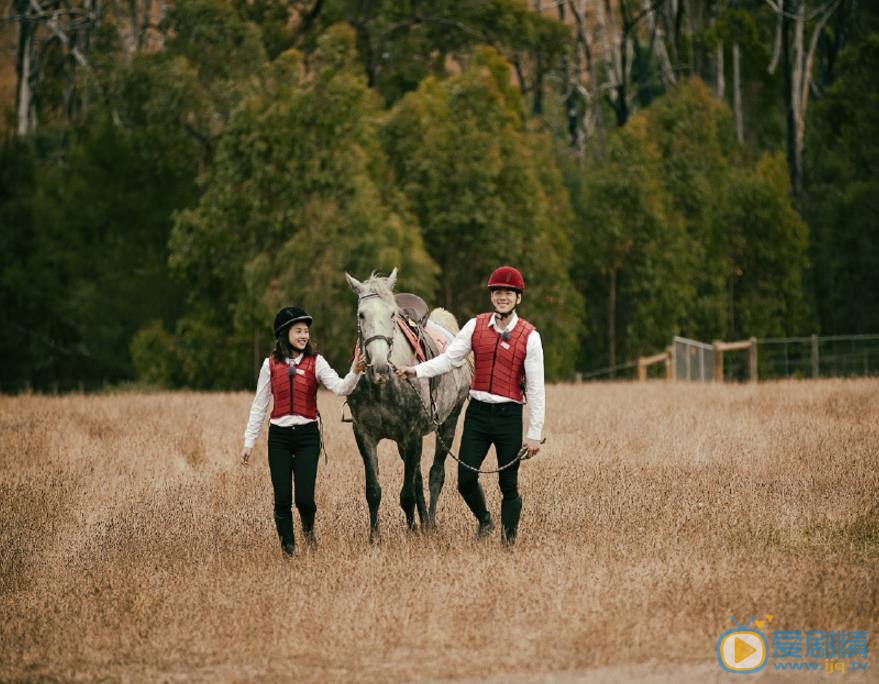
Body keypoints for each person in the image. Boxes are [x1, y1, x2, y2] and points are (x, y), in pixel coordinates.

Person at [395, 266, 544, 544]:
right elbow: (449, 359)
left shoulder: (530, 337)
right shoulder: (475, 326)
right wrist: (416, 371)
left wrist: (534, 432)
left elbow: (536, 388)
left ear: (518, 298)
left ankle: (508, 542)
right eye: (498, 292)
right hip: (477, 414)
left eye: (508, 293)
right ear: (492, 296)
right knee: (465, 480)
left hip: (509, 415)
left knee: (508, 484)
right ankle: (485, 519)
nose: (502, 297)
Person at [241, 306, 366, 556]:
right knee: (282, 500)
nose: (303, 336)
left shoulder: (316, 362)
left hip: (308, 437)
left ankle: (309, 533)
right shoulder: (269, 365)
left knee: (305, 500)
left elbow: (341, 388)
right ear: (284, 333)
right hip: (279, 438)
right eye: (298, 331)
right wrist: (248, 442)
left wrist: (355, 371)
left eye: (306, 331)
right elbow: (260, 405)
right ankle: (289, 549)